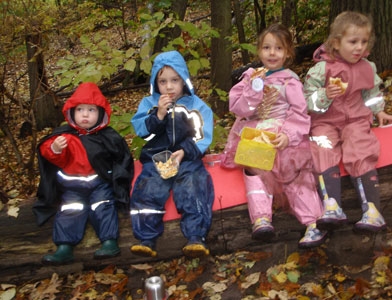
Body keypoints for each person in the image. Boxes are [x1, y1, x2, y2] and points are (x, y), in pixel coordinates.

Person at [222, 23, 326, 248]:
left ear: (288, 52)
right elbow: (239, 109)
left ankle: (313, 223)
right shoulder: (249, 77)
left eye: (278, 48)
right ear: (259, 50)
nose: (272, 53)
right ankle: (261, 219)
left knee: (295, 172)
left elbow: (299, 112)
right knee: (253, 169)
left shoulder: (290, 80)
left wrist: (289, 135)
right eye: (267, 47)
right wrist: (254, 89)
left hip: (282, 136)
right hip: (257, 133)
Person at [303, 11, 392, 233]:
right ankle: (332, 206)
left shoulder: (367, 68)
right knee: (321, 146)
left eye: (364, 42)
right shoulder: (321, 69)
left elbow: (371, 93)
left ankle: (372, 210)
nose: (359, 48)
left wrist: (379, 111)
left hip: (355, 119)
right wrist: (325, 94)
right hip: (325, 120)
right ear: (336, 42)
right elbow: (307, 102)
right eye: (353, 42)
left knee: (359, 146)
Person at [34, 82, 134, 265]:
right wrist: (55, 149)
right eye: (80, 109)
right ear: (72, 112)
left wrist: (118, 181)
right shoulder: (66, 136)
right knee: (70, 210)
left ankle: (109, 242)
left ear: (101, 113)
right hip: (72, 187)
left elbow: (122, 158)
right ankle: (64, 247)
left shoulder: (107, 136)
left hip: (99, 184)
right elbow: (49, 155)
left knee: (103, 206)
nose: (85, 114)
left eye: (91, 110)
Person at [129, 50, 214, 258]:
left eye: (174, 80)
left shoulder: (195, 106)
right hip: (157, 159)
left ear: (184, 80)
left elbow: (203, 136)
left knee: (193, 184)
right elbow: (142, 132)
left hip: (187, 158)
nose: (169, 86)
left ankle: (195, 237)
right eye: (163, 81)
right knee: (149, 187)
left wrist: (185, 152)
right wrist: (158, 115)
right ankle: (146, 238)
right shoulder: (149, 105)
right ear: (155, 84)